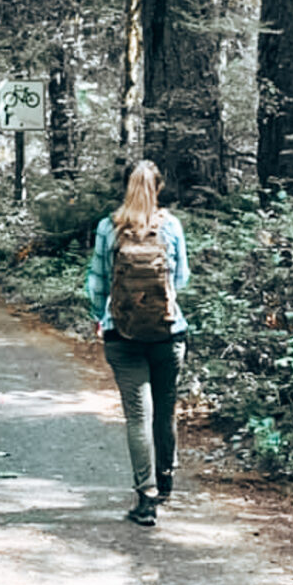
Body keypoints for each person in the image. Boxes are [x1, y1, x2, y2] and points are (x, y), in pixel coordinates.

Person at [86, 161, 190, 527]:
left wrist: (101, 316)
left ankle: (145, 498)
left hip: (123, 335)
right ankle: (165, 479)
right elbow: (182, 278)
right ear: (158, 188)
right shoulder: (171, 226)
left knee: (137, 416)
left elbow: (97, 282)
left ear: (124, 187)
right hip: (168, 332)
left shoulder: (108, 228)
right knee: (165, 409)